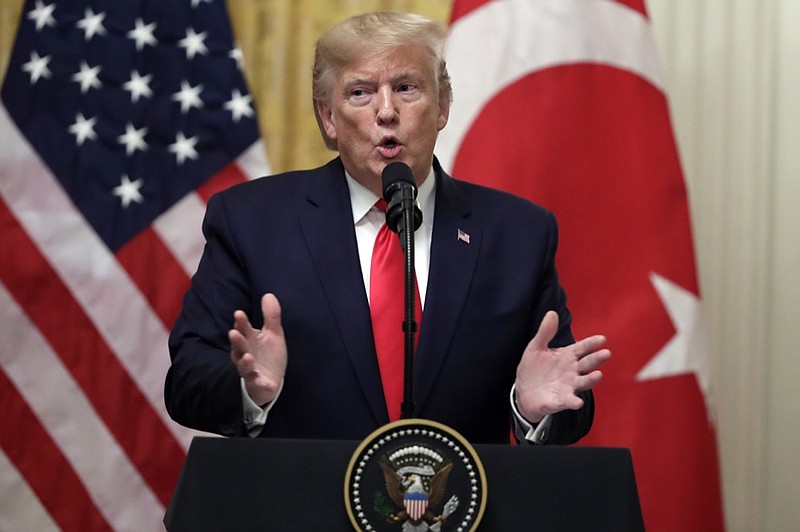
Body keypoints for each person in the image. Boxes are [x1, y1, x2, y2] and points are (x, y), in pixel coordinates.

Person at [165, 11, 610, 445]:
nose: (386, 111)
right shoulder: (251, 220)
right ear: (328, 118)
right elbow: (186, 381)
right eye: (360, 92)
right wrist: (248, 391)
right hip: (300, 507)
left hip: (458, 509)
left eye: (406, 88)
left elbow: (560, 385)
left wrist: (531, 408)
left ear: (443, 106)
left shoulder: (518, 233)